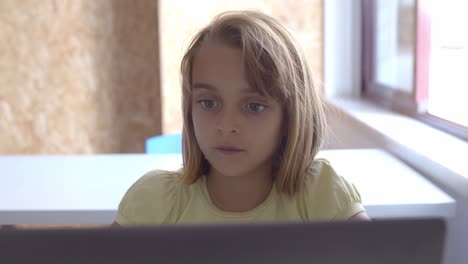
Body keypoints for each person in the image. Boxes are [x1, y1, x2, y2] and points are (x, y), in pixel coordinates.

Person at [113, 10, 369, 226]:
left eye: (254, 106)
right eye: (208, 103)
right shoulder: (152, 202)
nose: (226, 126)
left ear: (291, 115)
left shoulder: (321, 196)